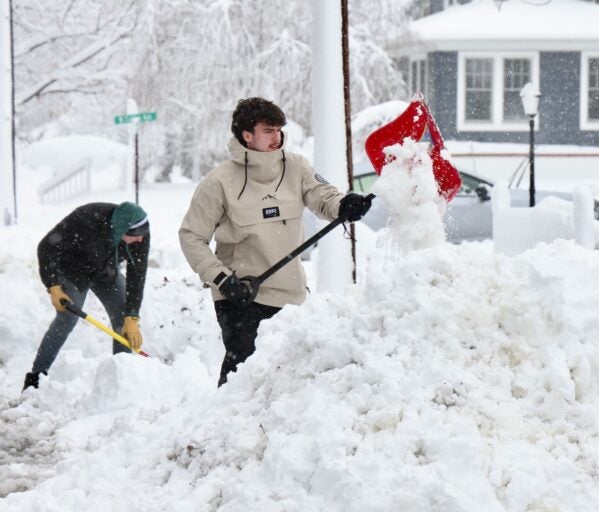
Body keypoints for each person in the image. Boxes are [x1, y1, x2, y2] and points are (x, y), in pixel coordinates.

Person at [179, 97, 371, 387]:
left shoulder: (296, 167)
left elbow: (325, 198)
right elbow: (191, 236)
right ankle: (226, 428)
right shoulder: (219, 182)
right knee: (242, 381)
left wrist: (345, 204)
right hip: (241, 296)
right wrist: (222, 279)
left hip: (291, 296)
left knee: (288, 382)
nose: (277, 137)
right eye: (268, 130)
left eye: (279, 129)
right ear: (247, 135)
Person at [23, 202, 150, 391]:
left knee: (123, 316)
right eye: (135, 236)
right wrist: (54, 285)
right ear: (122, 228)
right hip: (73, 272)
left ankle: (121, 376)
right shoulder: (86, 218)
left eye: (142, 235)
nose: (140, 240)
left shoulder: (141, 233)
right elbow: (46, 247)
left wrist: (132, 315)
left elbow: (137, 274)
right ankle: (35, 378)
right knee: (67, 319)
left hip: (106, 272)